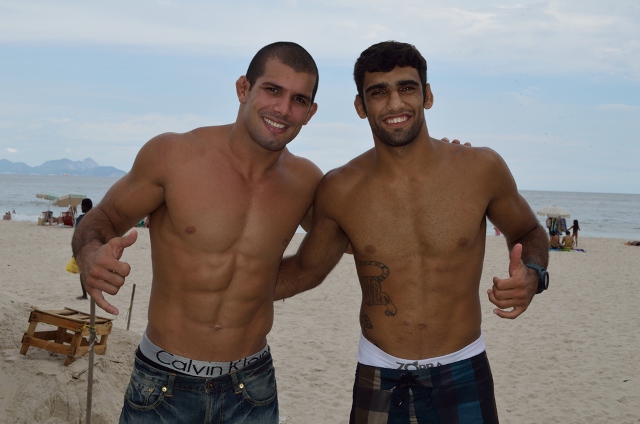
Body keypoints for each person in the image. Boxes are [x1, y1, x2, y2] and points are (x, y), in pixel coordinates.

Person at [274, 41, 549, 423]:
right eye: (379, 92)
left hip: (463, 367)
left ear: (428, 95)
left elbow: (529, 229)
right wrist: (227, 286)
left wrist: (534, 274)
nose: (395, 104)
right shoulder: (341, 189)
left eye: (407, 87)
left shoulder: (480, 169)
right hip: (379, 373)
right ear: (360, 106)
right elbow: (307, 269)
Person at [72, 42, 323, 424]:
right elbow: (104, 217)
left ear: (310, 112)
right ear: (243, 88)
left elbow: (359, 237)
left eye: (299, 99)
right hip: (162, 384)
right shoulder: (173, 156)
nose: (283, 109)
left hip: (251, 387)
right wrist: (89, 252)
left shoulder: (306, 182)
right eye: (272, 90)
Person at [73, 198, 93, 299]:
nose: (81, 207)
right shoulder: (96, 217)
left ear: (87, 206)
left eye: (82, 205)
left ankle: (85, 294)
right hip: (95, 246)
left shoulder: (80, 219)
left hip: (84, 248)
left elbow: (77, 235)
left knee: (83, 272)